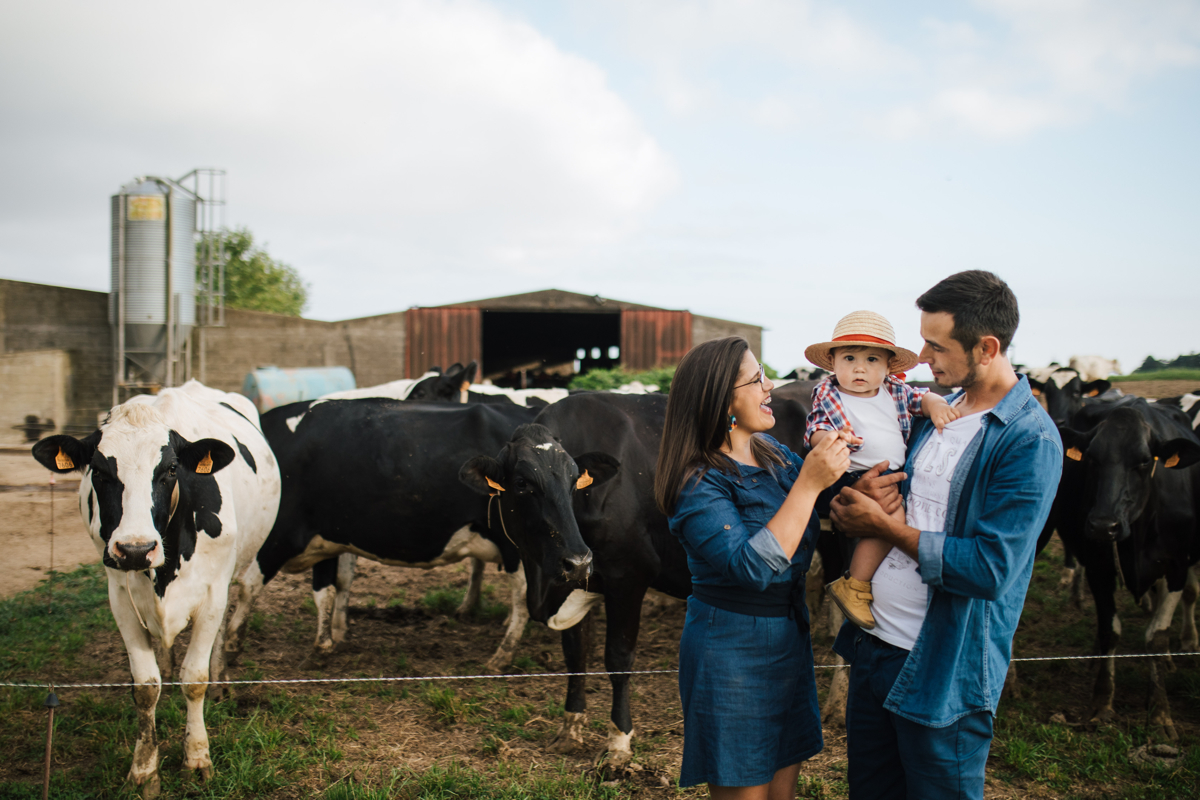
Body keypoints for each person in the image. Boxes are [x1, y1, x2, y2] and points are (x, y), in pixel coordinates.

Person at [829, 271, 1063, 800]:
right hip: (875, 644)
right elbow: (898, 500)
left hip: (942, 667)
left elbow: (988, 569)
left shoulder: (1028, 439)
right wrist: (857, 502)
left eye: (936, 345)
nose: (922, 354)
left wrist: (886, 527)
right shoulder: (933, 412)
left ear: (987, 347)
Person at [655, 336, 851, 800]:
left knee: (783, 792)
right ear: (723, 399)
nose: (770, 387)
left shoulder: (773, 453)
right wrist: (809, 484)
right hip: (732, 648)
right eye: (756, 378)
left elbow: (816, 507)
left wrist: (857, 492)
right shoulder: (697, 480)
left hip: (788, 636)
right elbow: (749, 567)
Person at [802, 310, 958, 629]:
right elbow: (814, 427)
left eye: (872, 359)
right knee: (890, 520)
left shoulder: (895, 392)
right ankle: (855, 584)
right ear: (832, 363)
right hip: (850, 475)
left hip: (891, 475)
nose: (860, 368)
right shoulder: (829, 392)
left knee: (894, 521)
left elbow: (923, 399)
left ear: (888, 366)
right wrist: (831, 437)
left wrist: (938, 406)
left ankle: (870, 583)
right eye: (849, 358)